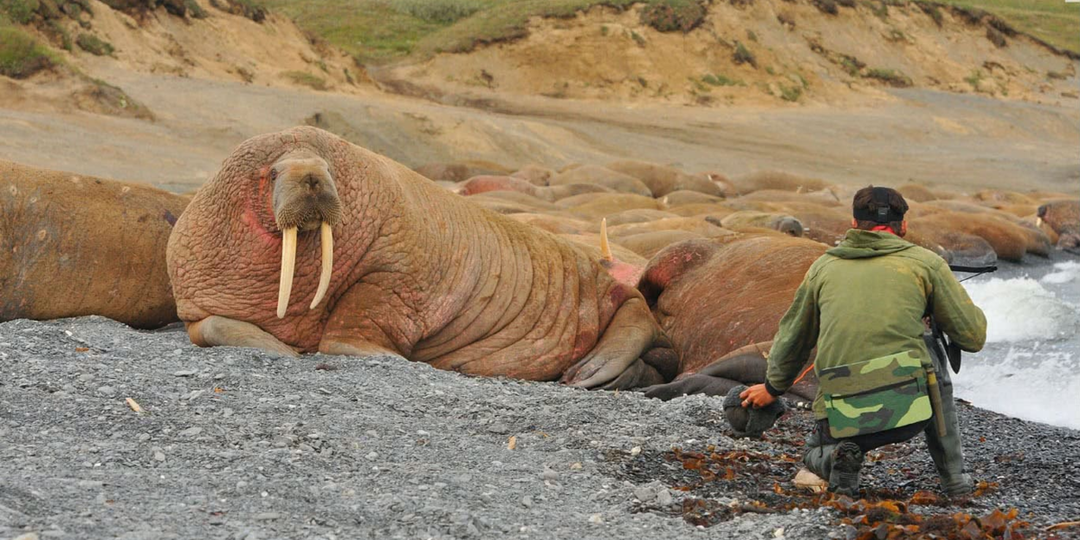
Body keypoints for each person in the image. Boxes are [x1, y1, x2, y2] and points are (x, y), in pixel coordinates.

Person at [739, 186, 987, 498]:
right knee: (930, 355)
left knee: (817, 456)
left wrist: (772, 388)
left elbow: (792, 339)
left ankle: (834, 458)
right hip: (907, 414)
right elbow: (973, 337)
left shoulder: (822, 268)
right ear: (903, 226)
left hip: (839, 417)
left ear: (854, 224)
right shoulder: (926, 264)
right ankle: (955, 482)